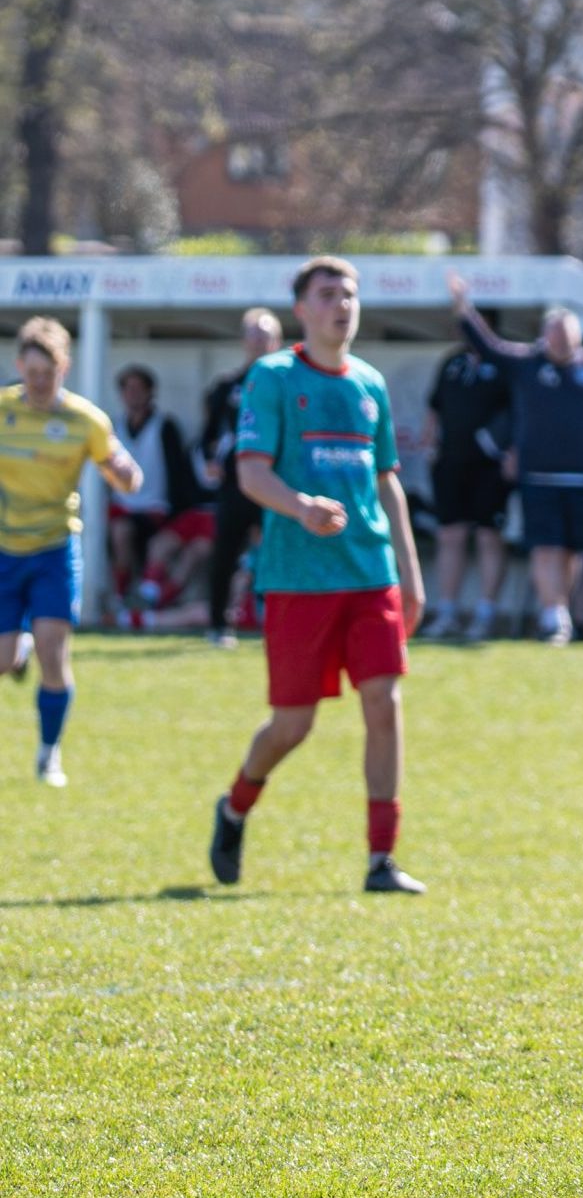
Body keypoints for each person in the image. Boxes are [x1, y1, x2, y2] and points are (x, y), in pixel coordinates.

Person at [209, 256, 428, 895]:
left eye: (350, 293)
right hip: (299, 578)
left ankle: (380, 860)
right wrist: (301, 507)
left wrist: (409, 573)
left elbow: (387, 479)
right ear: (301, 309)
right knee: (292, 725)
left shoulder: (369, 384)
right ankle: (235, 806)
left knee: (384, 703)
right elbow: (250, 474)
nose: (343, 304)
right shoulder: (273, 378)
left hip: (370, 572)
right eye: (328, 294)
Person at [448, 276, 583, 646]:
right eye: (555, 335)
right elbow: (488, 347)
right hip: (538, 476)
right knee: (545, 545)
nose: (561, 343)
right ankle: (553, 615)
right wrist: (463, 308)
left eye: (568, 337)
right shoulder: (526, 365)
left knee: (571, 550)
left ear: (578, 338)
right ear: (544, 336)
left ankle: (558, 612)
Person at [0, 317, 144, 784]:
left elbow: (124, 471)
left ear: (65, 367)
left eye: (50, 372)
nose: (40, 382)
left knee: (53, 653)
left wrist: (123, 472)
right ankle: (14, 650)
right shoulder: (3, 411)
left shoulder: (85, 420)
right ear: (20, 365)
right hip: (5, 549)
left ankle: (49, 754)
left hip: (54, 550)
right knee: (3, 662)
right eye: (33, 372)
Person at [421, 322, 514, 640]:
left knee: (489, 536)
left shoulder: (503, 362)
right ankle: (446, 612)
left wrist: (510, 451)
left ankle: (485, 614)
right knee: (450, 535)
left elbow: (518, 411)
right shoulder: (452, 363)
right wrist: (430, 443)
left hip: (490, 467)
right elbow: (434, 407)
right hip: (451, 462)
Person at [200, 308, 283, 648]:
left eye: (266, 333)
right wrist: (210, 459)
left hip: (278, 485)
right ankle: (220, 625)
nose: (259, 339)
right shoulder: (228, 385)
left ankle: (280, 622)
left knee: (280, 554)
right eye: (253, 332)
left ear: (277, 340)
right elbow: (208, 434)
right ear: (243, 340)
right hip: (236, 485)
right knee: (225, 555)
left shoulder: (288, 384)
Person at [107, 364, 196, 609]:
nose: (133, 394)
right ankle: (121, 596)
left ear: (150, 392)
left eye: (139, 388)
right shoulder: (113, 427)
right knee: (119, 533)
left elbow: (178, 475)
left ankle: (149, 601)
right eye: (128, 389)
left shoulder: (165, 426)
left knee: (161, 546)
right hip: (124, 506)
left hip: (156, 509)